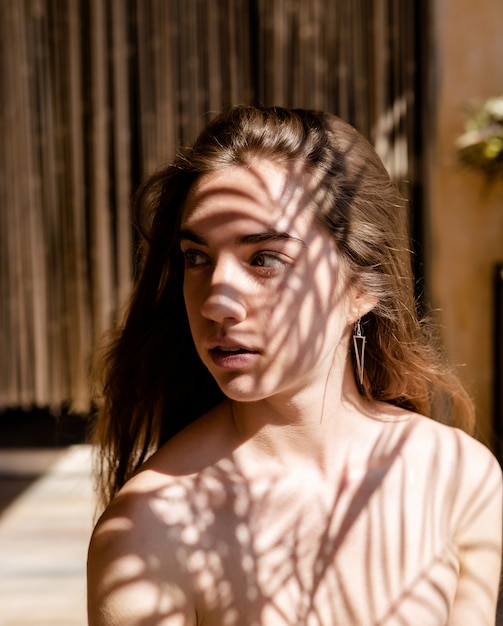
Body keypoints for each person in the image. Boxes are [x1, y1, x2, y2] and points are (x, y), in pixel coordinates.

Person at [87, 105, 502, 625]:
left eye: (263, 258)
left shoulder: (459, 476)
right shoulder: (150, 532)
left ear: (361, 287)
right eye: (197, 258)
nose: (217, 300)